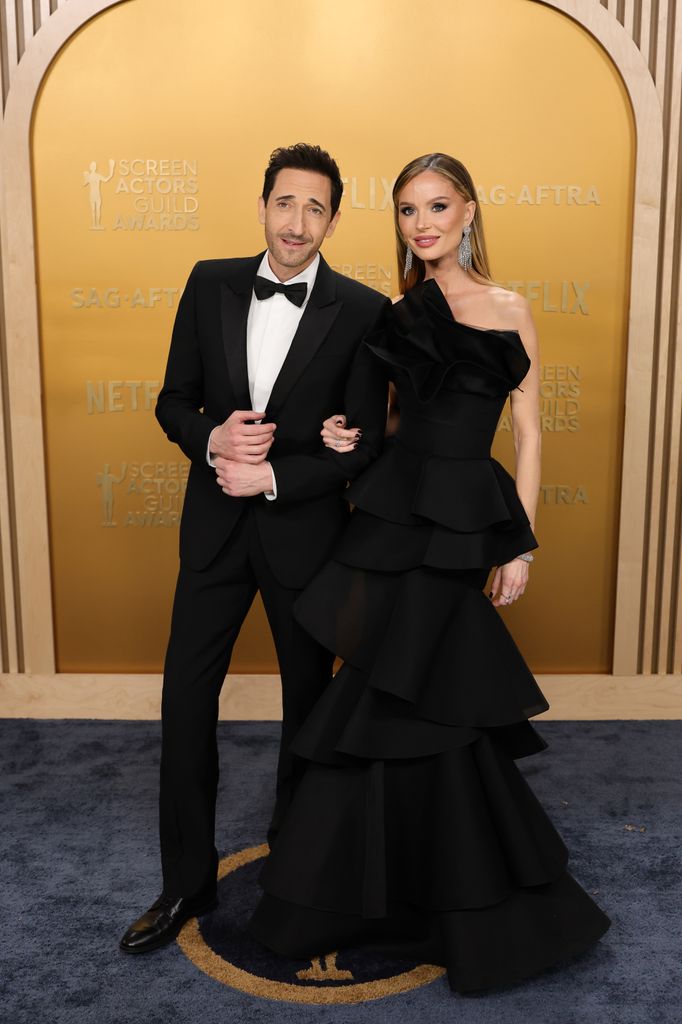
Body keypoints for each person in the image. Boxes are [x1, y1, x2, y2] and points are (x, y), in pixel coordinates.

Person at [248, 153, 610, 993]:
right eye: (408, 210)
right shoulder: (397, 313)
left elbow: (526, 434)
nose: (423, 224)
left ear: (470, 211)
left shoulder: (511, 309)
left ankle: (463, 897)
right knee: (377, 692)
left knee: (436, 699)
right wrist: (342, 439)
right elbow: (380, 425)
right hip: (389, 517)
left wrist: (519, 543)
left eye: (437, 206)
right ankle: (376, 886)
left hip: (462, 528)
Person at [119, 144, 390, 954]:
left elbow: (361, 443)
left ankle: (297, 875)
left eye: (315, 208)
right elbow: (173, 400)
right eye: (285, 203)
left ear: (333, 219)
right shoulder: (210, 282)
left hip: (305, 539)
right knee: (183, 704)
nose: (297, 222)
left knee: (308, 709)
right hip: (212, 535)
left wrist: (273, 475)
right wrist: (212, 441)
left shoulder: (366, 309)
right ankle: (183, 883)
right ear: (263, 205)